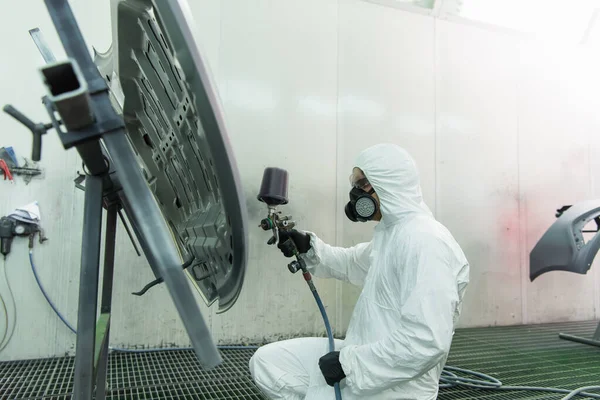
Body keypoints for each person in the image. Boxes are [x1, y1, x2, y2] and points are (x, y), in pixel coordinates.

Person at [249, 143, 470, 400]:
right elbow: (353, 263)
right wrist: (308, 247)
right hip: (363, 356)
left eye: (363, 184)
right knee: (269, 363)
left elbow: (426, 341)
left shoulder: (426, 242)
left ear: (390, 184)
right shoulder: (392, 234)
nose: (355, 194)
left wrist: (349, 364)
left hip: (395, 386)